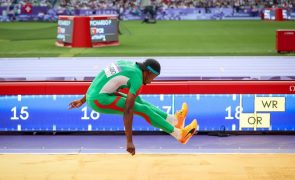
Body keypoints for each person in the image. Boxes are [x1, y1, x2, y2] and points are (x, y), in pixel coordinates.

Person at [68, 59, 197, 155]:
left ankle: (174, 120)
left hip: (94, 94)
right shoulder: (137, 78)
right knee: (143, 109)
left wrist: (82, 99)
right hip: (99, 100)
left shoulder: (128, 65)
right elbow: (128, 110)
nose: (151, 81)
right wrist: (129, 141)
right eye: (153, 77)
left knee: (140, 101)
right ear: (147, 72)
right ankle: (179, 135)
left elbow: (100, 80)